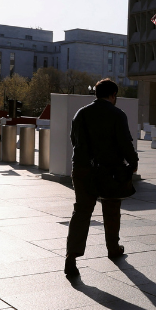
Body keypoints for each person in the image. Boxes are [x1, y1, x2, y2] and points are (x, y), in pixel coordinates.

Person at [64, 78, 138, 278]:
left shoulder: (81, 113)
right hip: (109, 170)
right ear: (113, 95)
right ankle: (113, 248)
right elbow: (125, 142)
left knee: (81, 211)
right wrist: (133, 163)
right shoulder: (117, 114)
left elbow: (74, 140)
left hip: (81, 169)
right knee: (112, 208)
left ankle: (71, 256)